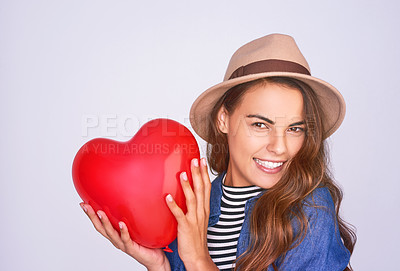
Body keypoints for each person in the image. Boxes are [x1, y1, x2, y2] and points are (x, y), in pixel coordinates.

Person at [80, 33, 356, 270]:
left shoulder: (308, 209)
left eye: (295, 128)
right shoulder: (191, 204)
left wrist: (199, 260)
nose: (280, 147)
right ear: (223, 118)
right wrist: (160, 265)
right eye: (260, 124)